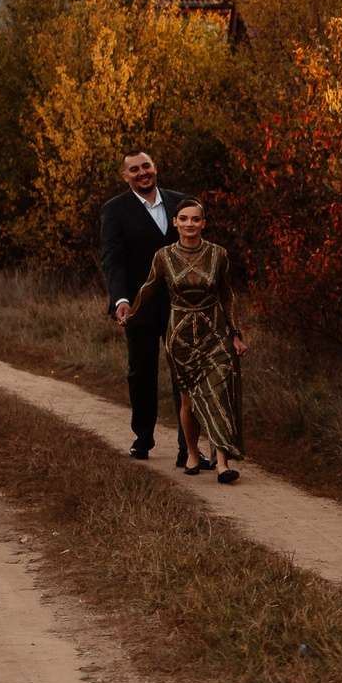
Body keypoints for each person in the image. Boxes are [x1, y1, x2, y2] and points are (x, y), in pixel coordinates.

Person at [118, 198, 248, 482]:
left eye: (196, 219)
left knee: (220, 397)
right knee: (189, 402)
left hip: (215, 334)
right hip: (181, 338)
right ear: (175, 222)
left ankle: (222, 464)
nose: (190, 224)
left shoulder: (218, 254)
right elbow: (148, 289)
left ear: (203, 223)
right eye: (184, 219)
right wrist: (131, 317)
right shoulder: (164, 256)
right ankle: (191, 452)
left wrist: (235, 333)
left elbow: (227, 295)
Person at [98, 150, 194, 462]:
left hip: (181, 304)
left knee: (185, 373)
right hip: (139, 305)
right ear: (125, 176)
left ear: (155, 168)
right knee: (141, 372)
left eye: (146, 166)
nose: (142, 172)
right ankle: (143, 436)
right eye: (135, 169)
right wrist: (121, 300)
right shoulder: (115, 210)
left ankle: (188, 447)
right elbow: (113, 259)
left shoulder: (180, 202)